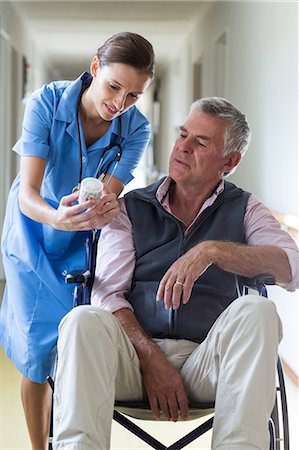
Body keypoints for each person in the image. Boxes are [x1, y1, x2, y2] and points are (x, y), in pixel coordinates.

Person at [53, 97, 299, 450]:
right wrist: (151, 358)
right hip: (132, 362)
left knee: (258, 310)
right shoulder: (131, 208)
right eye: (183, 135)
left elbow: (292, 266)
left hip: (207, 364)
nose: (182, 148)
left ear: (229, 162)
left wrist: (213, 251)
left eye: (200, 143)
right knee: (82, 319)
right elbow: (109, 294)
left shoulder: (245, 208)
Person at [0, 32, 155, 450]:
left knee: (74, 351)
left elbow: (110, 193)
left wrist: (100, 209)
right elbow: (29, 192)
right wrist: (57, 217)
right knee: (36, 358)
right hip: (34, 233)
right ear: (94, 69)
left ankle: (71, 439)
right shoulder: (45, 104)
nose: (119, 104)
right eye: (114, 87)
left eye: (134, 95)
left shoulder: (135, 129)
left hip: (84, 240)